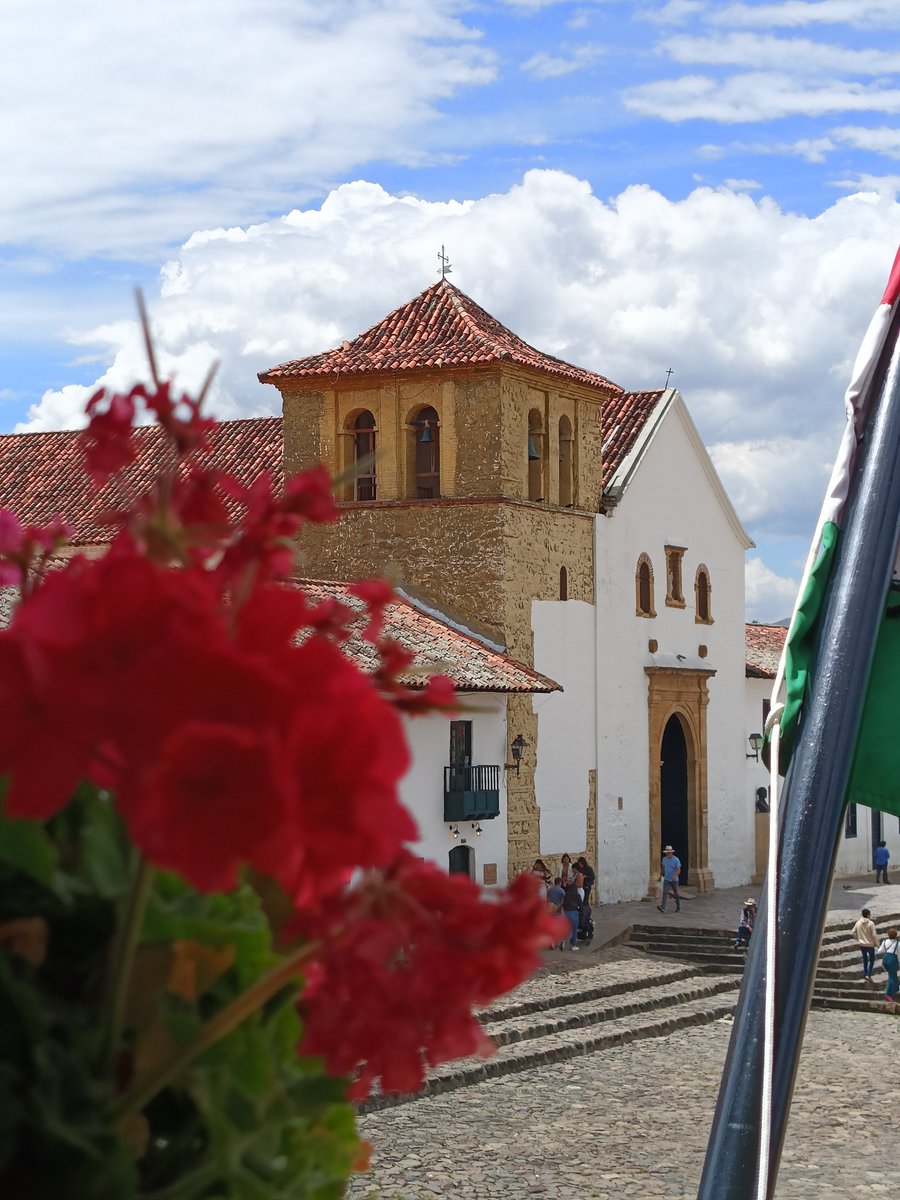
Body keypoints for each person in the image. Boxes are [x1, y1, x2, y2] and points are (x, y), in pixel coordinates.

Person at [851, 908, 878, 981]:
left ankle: (865, 973)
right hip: (870, 944)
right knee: (872, 960)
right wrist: (877, 944)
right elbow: (874, 935)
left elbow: (853, 932)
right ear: (868, 915)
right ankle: (868, 974)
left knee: (865, 959)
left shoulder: (858, 922)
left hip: (862, 944)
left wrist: (858, 938)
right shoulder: (871, 923)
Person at [878, 925, 900, 1006]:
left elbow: (879, 951)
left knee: (893, 975)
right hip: (892, 961)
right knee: (892, 977)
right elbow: (899, 955)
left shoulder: (884, 942)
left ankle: (896, 988)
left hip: (885, 960)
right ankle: (888, 994)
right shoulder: (898, 944)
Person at [657, 845, 681, 913]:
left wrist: (675, 876)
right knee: (665, 892)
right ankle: (663, 907)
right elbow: (663, 868)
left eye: (669, 852)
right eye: (667, 852)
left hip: (674, 880)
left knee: (676, 893)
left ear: (671, 852)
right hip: (667, 879)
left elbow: (678, 869)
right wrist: (661, 876)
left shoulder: (676, 860)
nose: (667, 854)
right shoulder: (664, 859)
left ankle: (678, 907)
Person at [561, 878, 582, 951]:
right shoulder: (577, 895)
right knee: (574, 930)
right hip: (574, 912)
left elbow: (563, 904)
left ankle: (563, 940)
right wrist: (581, 912)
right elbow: (581, 905)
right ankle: (574, 945)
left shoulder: (566, 895)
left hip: (566, 912)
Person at [546, 876, 566, 950]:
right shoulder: (561, 891)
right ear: (560, 883)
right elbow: (564, 900)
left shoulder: (549, 890)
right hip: (558, 909)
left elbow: (547, 898)